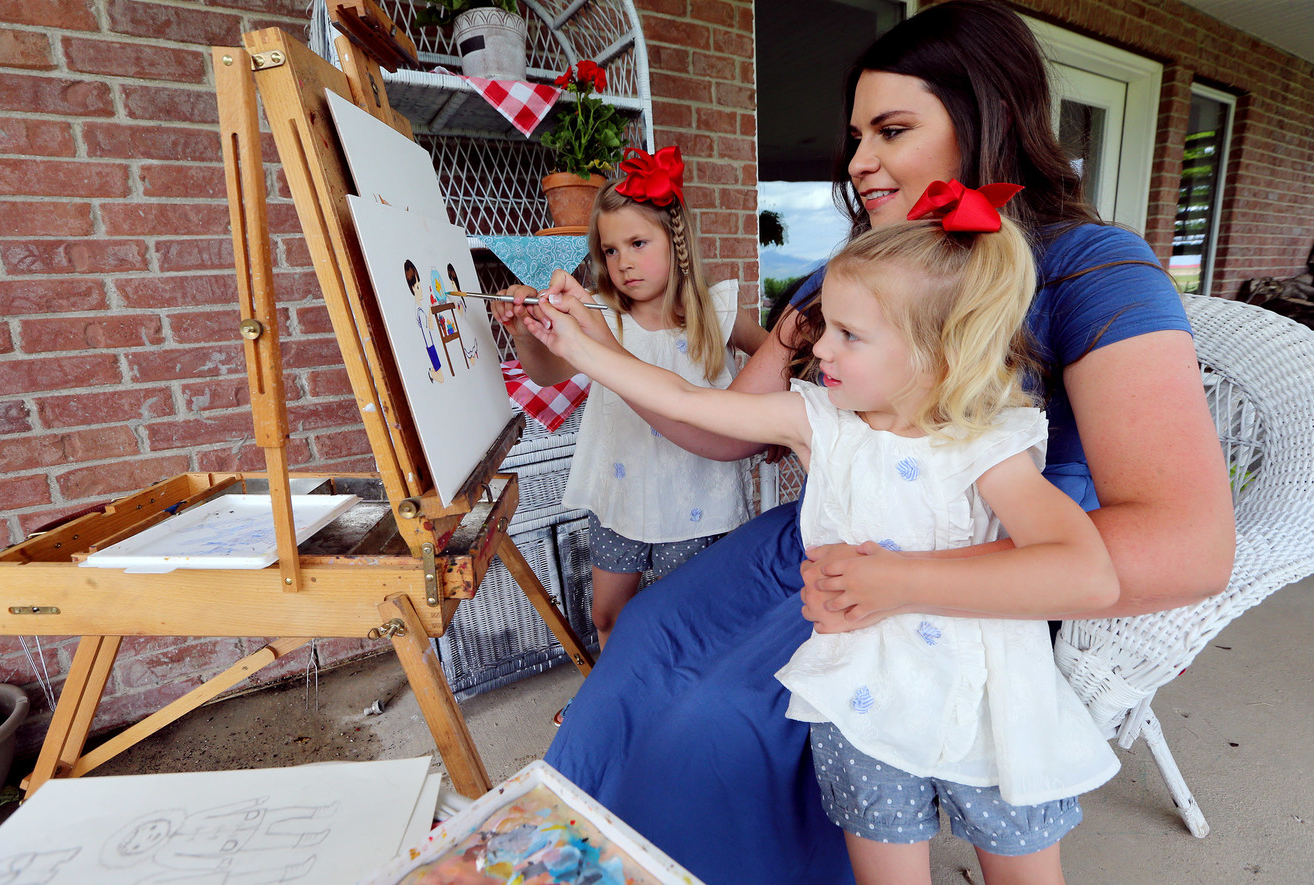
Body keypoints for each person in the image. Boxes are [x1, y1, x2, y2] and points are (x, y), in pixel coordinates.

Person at [538, 2, 1235, 881]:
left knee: (718, 723)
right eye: (857, 133)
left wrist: (905, 580)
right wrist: (600, 353)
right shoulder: (855, 274)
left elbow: (1189, 545)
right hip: (817, 540)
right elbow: (721, 431)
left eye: (892, 129)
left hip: (973, 566)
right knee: (641, 642)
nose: (859, 161)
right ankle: (584, 848)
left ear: (990, 120)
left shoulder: (1089, 266)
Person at [531, 194, 1124, 883]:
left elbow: (1089, 575)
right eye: (826, 328)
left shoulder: (985, 443)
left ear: (940, 352)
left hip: (993, 710)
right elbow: (690, 402)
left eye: (850, 334)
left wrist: (895, 582)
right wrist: (581, 346)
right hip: (860, 708)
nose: (819, 347)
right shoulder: (823, 423)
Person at [492, 145, 768, 653]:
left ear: (677, 241)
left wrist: (776, 424)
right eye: (611, 250)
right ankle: (614, 695)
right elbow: (547, 372)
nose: (623, 263)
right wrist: (526, 332)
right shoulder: (600, 316)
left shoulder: (719, 312)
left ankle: (669, 709)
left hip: (696, 499)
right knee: (607, 613)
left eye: (638, 243)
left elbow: (777, 359)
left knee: (682, 620)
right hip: (618, 495)